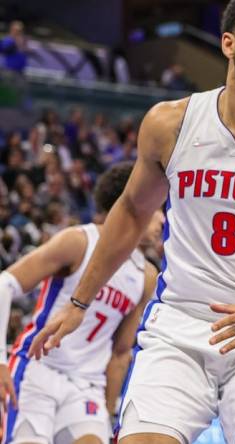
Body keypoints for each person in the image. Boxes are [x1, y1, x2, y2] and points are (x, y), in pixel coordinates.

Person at [28, 1, 235, 443]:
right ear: (228, 44)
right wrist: (79, 302)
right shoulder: (170, 123)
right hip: (180, 329)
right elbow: (134, 211)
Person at [0, 163, 158, 444]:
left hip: (87, 386)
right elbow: (4, 284)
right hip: (38, 370)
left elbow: (121, 354)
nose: (162, 220)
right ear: (135, 203)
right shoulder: (78, 241)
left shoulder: (146, 276)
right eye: (158, 208)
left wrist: (108, 414)